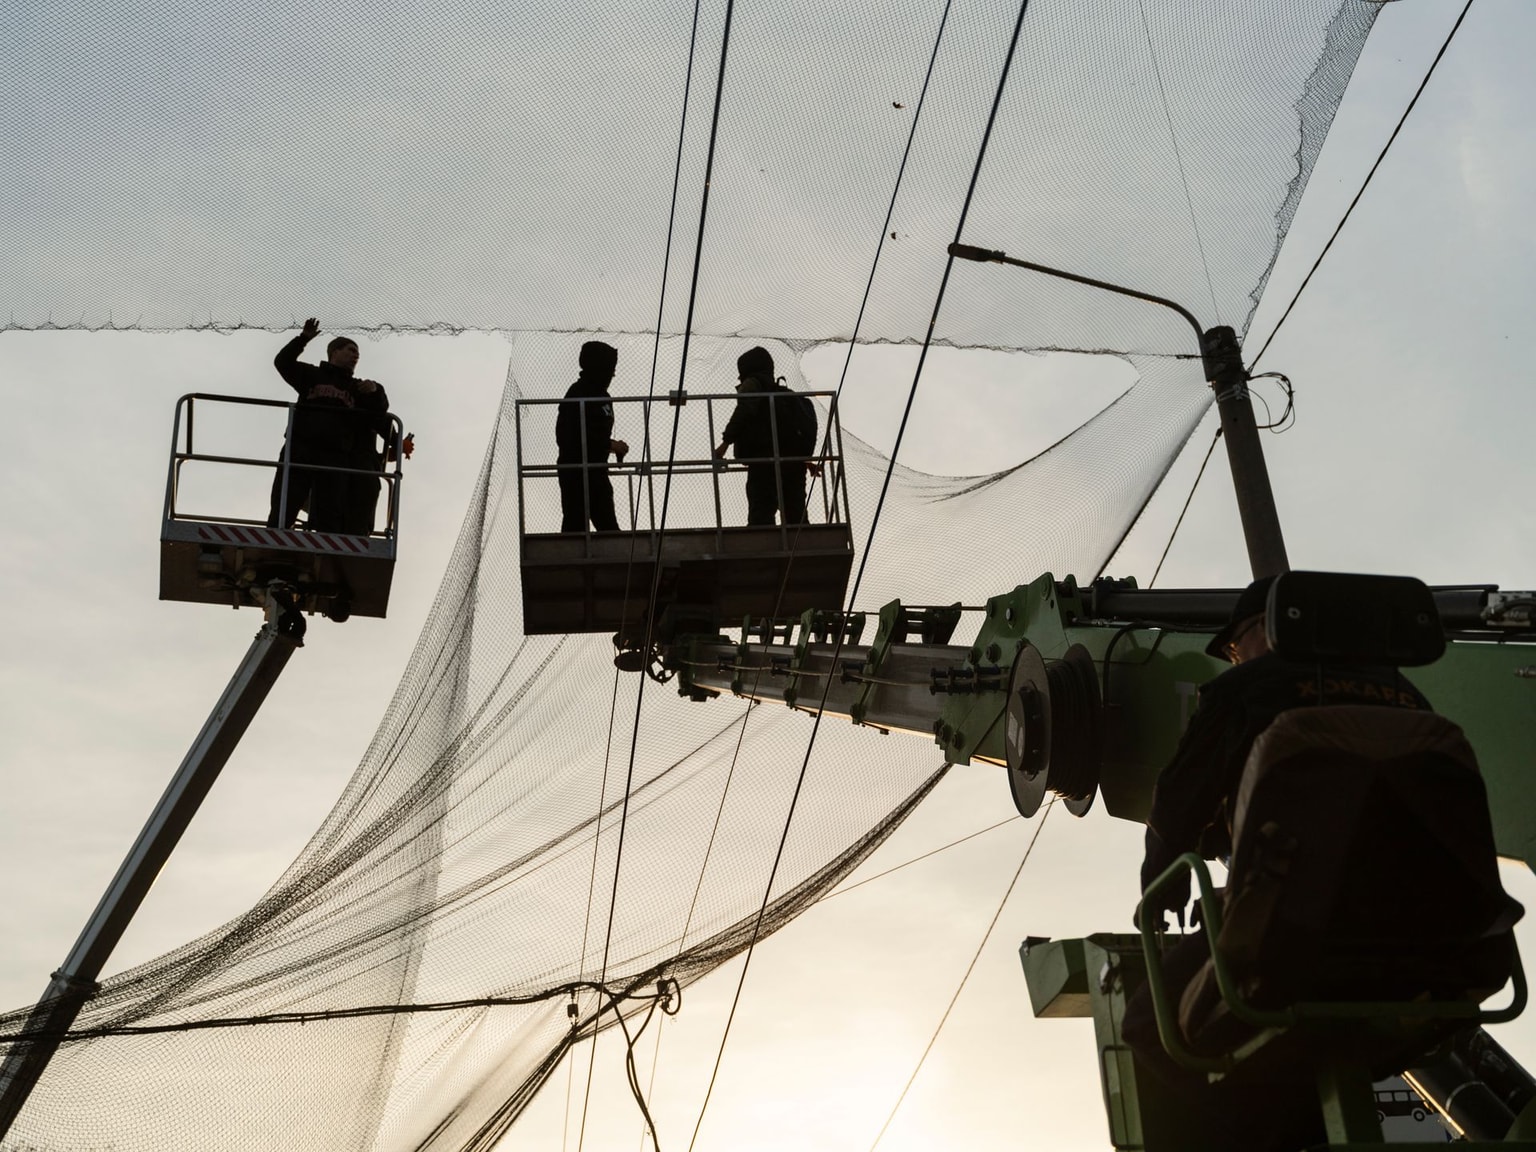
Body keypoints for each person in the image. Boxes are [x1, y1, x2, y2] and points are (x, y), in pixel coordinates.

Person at [1121, 574, 1433, 1150]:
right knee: (1306, 1058)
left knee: (1148, 1024)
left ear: (1266, 629)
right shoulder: (1408, 696)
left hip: (1299, 938)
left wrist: (1158, 889)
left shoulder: (1246, 693)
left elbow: (1178, 799)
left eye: (1237, 647)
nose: (1236, 661)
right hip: (1432, 950)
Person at [268, 318, 399, 535]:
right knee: (285, 503)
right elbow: (283, 362)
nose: (356, 355)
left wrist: (375, 389)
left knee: (331, 513)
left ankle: (328, 553)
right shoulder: (310, 375)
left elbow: (380, 411)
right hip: (300, 448)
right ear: (334, 352)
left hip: (336, 456)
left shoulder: (357, 388)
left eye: (358, 353)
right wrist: (303, 339)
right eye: (350, 350)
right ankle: (273, 540)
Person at [712, 346, 817, 526]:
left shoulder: (753, 384)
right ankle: (803, 543)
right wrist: (805, 460)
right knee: (795, 510)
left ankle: (762, 541)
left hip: (763, 461)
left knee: (761, 511)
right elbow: (787, 429)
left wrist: (725, 444)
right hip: (792, 462)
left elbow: (744, 412)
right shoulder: (784, 396)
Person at [556, 341, 628, 532]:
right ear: (599, 368)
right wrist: (612, 445)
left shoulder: (603, 396)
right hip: (576, 472)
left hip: (597, 473)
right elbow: (569, 435)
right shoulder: (577, 394)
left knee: (608, 528)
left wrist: (612, 447)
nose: (613, 375)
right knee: (576, 527)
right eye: (610, 369)